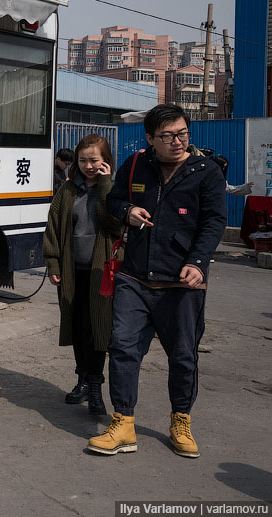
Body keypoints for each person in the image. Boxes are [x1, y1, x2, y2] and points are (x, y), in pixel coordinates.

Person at [88, 104, 226, 458]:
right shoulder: (135, 165)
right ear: (149, 138)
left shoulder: (205, 172)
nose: (177, 141)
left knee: (182, 356)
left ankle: (181, 419)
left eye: (182, 134)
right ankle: (123, 423)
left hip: (182, 283)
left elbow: (214, 222)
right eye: (167, 136)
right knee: (122, 348)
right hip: (134, 277)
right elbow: (115, 200)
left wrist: (198, 262)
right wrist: (127, 211)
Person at [43, 134, 122, 416]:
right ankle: (82, 380)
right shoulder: (67, 190)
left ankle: (96, 386)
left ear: (106, 161)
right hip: (72, 270)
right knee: (77, 328)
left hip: (103, 271)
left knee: (98, 328)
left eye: (95, 161)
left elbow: (115, 226)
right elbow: (53, 226)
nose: (88, 166)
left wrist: (104, 185)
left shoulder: (114, 189)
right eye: (83, 160)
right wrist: (53, 264)